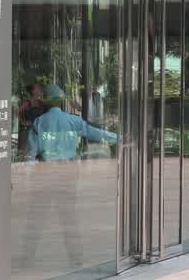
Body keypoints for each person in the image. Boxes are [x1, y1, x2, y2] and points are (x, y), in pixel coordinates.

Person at [19, 84, 119, 268]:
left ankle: (27, 259)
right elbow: (99, 134)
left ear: (46, 103)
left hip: (44, 175)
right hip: (68, 174)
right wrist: (119, 138)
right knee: (68, 217)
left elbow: (31, 155)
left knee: (36, 218)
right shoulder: (74, 121)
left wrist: (27, 178)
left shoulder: (39, 123)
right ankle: (76, 258)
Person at [16, 83, 46, 158]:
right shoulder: (27, 102)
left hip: (38, 131)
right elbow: (17, 112)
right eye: (37, 88)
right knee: (27, 152)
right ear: (33, 91)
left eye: (40, 87)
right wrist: (23, 122)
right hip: (28, 130)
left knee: (38, 152)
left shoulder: (41, 102)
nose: (40, 89)